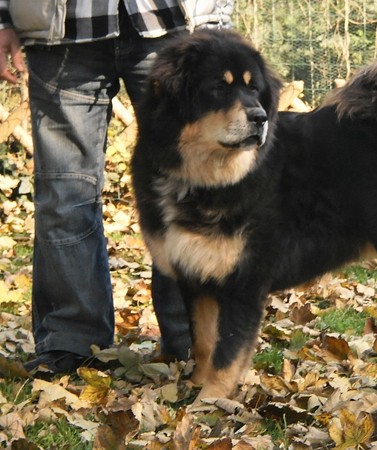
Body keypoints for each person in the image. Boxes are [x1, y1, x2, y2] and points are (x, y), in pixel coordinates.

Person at [0, 0, 234, 373]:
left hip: (174, 20)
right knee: (63, 195)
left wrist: (217, 14)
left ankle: (194, 340)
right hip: (61, 26)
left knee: (194, 189)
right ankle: (71, 343)